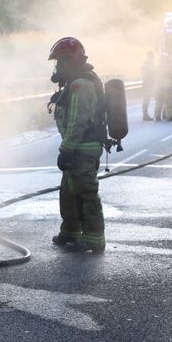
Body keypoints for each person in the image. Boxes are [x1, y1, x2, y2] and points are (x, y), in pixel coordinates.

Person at [47, 37, 106, 253]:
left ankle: (94, 238)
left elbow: (76, 122)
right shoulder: (74, 82)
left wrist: (66, 149)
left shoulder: (80, 85)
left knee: (86, 191)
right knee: (69, 191)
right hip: (77, 147)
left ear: (70, 61)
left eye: (60, 62)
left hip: (83, 148)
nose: (57, 67)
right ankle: (71, 231)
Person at [153, 53, 172, 122]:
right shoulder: (169, 66)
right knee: (168, 103)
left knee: (159, 103)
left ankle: (157, 117)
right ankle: (168, 117)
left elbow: (154, 78)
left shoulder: (157, 67)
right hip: (167, 87)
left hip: (158, 87)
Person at [141, 51, 155, 121]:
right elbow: (145, 75)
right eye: (151, 56)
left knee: (147, 100)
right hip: (147, 84)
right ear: (148, 56)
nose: (152, 57)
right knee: (146, 100)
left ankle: (146, 115)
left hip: (150, 84)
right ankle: (145, 115)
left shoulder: (151, 64)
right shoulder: (145, 64)